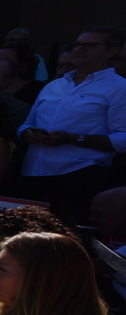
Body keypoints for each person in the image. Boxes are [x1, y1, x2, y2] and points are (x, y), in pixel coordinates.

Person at [17, 26, 126, 226]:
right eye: (78, 44)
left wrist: (73, 138)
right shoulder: (54, 85)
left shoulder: (119, 88)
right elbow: (26, 125)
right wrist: (28, 134)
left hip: (77, 177)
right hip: (33, 175)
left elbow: (123, 139)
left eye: (90, 45)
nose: (79, 49)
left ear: (112, 51)